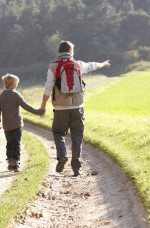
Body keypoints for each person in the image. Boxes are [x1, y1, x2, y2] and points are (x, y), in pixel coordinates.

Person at [39, 41, 110, 176]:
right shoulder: (78, 64)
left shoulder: (53, 67)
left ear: (59, 52)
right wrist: (103, 64)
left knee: (58, 132)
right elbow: (92, 65)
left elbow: (48, 87)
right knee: (77, 137)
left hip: (60, 108)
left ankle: (62, 155)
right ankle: (76, 168)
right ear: (70, 51)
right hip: (78, 107)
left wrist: (43, 106)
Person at [0, 73, 44, 172]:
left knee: (9, 143)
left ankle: (10, 162)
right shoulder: (16, 94)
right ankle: (15, 163)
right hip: (17, 124)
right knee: (16, 143)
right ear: (12, 84)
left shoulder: (0, 96)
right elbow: (26, 106)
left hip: (7, 125)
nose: (17, 85)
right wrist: (38, 112)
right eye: (16, 83)